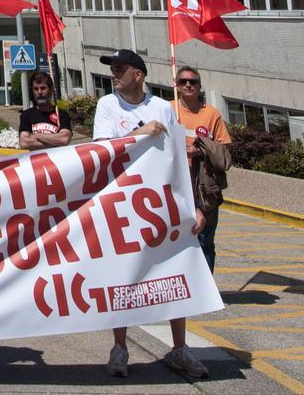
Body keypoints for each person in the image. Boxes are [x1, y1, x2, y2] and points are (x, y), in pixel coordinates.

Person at [92, 50, 205, 379]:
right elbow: (102, 151)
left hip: (159, 201)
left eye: (120, 69)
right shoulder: (108, 105)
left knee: (173, 268)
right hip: (122, 201)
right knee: (121, 274)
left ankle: (179, 347)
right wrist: (138, 134)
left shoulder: (161, 108)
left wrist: (191, 204)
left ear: (138, 74)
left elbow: (177, 159)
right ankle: (120, 346)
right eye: (112, 69)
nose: (114, 74)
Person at [172, 66, 232, 268]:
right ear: (177, 85)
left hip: (204, 188)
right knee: (176, 243)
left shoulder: (211, 114)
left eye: (193, 81)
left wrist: (199, 151)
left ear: (199, 86)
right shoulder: (168, 109)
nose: (188, 85)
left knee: (205, 242)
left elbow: (224, 148)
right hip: (176, 183)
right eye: (183, 81)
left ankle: (207, 295)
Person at [14, 72, 73, 150]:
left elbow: (64, 139)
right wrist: (55, 141)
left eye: (43, 88)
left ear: (51, 89)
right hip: (36, 161)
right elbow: (24, 143)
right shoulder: (26, 115)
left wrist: (36, 136)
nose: (39, 92)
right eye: (35, 89)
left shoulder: (61, 115)